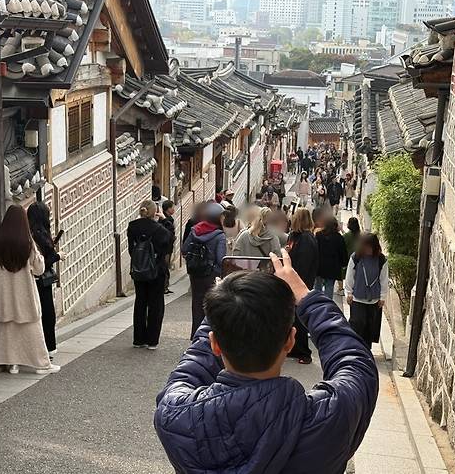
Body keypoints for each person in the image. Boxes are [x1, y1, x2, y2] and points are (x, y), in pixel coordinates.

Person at [154, 251, 379, 473]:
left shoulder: (174, 414)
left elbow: (191, 368)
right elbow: (355, 362)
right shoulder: (330, 418)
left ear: (215, 344)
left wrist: (223, 305)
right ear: (290, 341)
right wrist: (305, 296)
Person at [0, 205, 59, 375]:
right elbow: (39, 268)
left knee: (8, 331)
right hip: (25, 295)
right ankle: (41, 364)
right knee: (32, 331)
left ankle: (12, 364)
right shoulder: (27, 241)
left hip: (4, 295)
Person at [127, 200, 172, 350]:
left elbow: (130, 249)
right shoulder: (159, 229)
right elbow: (169, 242)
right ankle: (152, 340)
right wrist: (165, 220)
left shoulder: (132, 226)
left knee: (140, 302)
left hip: (139, 269)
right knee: (155, 304)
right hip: (156, 270)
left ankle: (138, 339)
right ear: (155, 212)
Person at [182, 202, 227, 339]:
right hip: (212, 274)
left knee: (197, 303)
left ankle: (195, 334)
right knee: (212, 304)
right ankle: (208, 335)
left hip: (196, 273)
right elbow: (221, 259)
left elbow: (184, 249)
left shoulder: (194, 230)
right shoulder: (219, 236)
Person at [27, 201, 63, 359]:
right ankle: (47, 349)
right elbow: (42, 263)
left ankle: (39, 349)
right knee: (47, 315)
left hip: (32, 281)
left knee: (39, 314)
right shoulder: (40, 234)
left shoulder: (29, 233)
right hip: (42, 280)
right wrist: (57, 256)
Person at [345, 233, 389, 349]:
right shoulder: (356, 258)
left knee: (370, 328)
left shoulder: (381, 260)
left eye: (371, 247)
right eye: (366, 247)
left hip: (373, 300)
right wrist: (348, 292)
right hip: (357, 298)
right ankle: (354, 348)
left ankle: (365, 350)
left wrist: (382, 297)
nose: (368, 250)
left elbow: (383, 279)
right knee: (357, 325)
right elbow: (350, 276)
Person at [286, 208, 318, 364]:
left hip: (300, 283)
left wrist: (295, 284)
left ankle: (304, 352)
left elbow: (303, 265)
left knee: (299, 319)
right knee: (291, 318)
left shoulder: (307, 239)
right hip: (290, 282)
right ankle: (293, 349)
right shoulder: (294, 236)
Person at [315, 216, 347, 298]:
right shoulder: (339, 238)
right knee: (329, 288)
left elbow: (314, 249)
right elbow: (343, 253)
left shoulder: (318, 235)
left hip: (319, 266)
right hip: (332, 267)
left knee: (317, 287)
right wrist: (344, 264)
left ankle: (316, 304)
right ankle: (326, 306)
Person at [338, 217, 361, 296]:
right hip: (357, 257)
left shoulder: (347, 236)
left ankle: (341, 288)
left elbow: (342, 241)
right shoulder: (359, 235)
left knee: (341, 273)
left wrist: (341, 230)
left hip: (347, 256)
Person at [158, 200, 176, 295]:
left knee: (166, 266)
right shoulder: (165, 220)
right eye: (172, 207)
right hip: (166, 248)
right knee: (165, 266)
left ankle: (165, 286)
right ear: (168, 209)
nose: (173, 209)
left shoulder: (169, 218)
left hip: (168, 247)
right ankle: (164, 286)